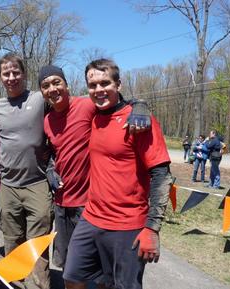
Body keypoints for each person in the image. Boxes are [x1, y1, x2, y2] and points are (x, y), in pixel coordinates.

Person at [63, 59, 172, 289]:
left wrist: (152, 228)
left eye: (105, 83)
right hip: (91, 217)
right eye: (92, 85)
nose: (99, 90)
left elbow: (161, 175)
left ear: (118, 84)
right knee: (72, 277)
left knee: (119, 285)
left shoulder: (139, 121)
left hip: (127, 224)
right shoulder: (94, 116)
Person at [39, 64, 152, 271]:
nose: (52, 89)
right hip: (61, 200)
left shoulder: (86, 106)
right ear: (42, 92)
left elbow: (116, 103)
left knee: (98, 268)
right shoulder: (47, 120)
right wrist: (49, 170)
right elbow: (49, 152)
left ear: (67, 85)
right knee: (68, 266)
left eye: (57, 82)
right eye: (46, 85)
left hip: (89, 204)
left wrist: (140, 105)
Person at [0, 53, 53, 289]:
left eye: (16, 72)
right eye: (6, 73)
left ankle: (39, 286)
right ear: (0, 77)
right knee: (12, 241)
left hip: (37, 182)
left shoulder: (39, 99)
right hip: (7, 185)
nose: (11, 77)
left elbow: (68, 106)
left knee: (37, 243)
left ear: (24, 74)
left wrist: (134, 105)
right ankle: (14, 285)